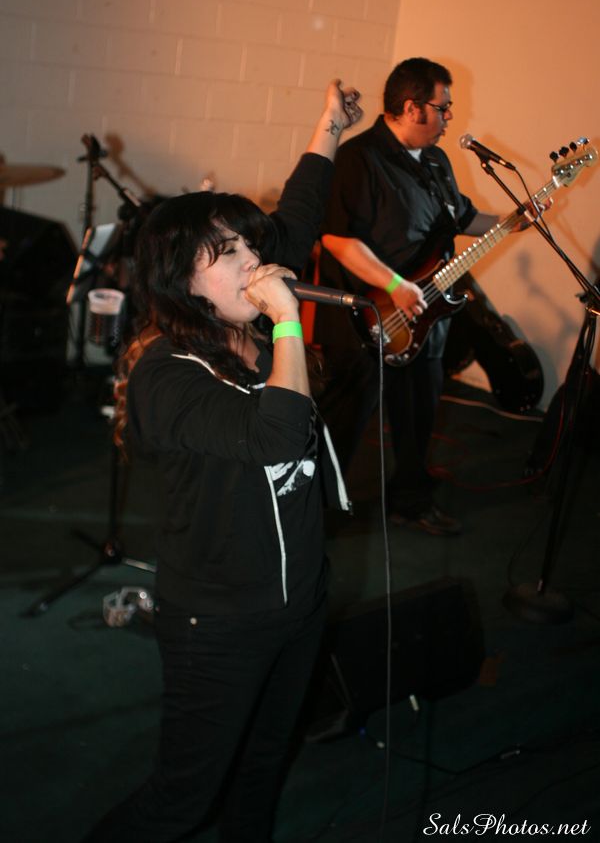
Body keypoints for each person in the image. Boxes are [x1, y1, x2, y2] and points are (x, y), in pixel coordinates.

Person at [81, 80, 362, 843]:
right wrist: (288, 324)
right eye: (228, 252)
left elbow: (298, 213)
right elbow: (278, 436)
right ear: (183, 281)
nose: (254, 262)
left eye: (250, 246)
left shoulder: (243, 321)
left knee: (261, 769)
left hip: (298, 603)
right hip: (221, 620)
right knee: (184, 799)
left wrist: (329, 128)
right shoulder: (166, 375)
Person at [313, 57, 509, 537]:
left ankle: (410, 501)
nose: (449, 117)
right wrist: (394, 286)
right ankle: (311, 511)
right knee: (345, 420)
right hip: (365, 316)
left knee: (419, 415)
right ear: (411, 107)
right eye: (442, 108)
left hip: (426, 314)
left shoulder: (437, 162)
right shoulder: (358, 159)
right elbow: (337, 238)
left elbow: (462, 219)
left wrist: (514, 219)